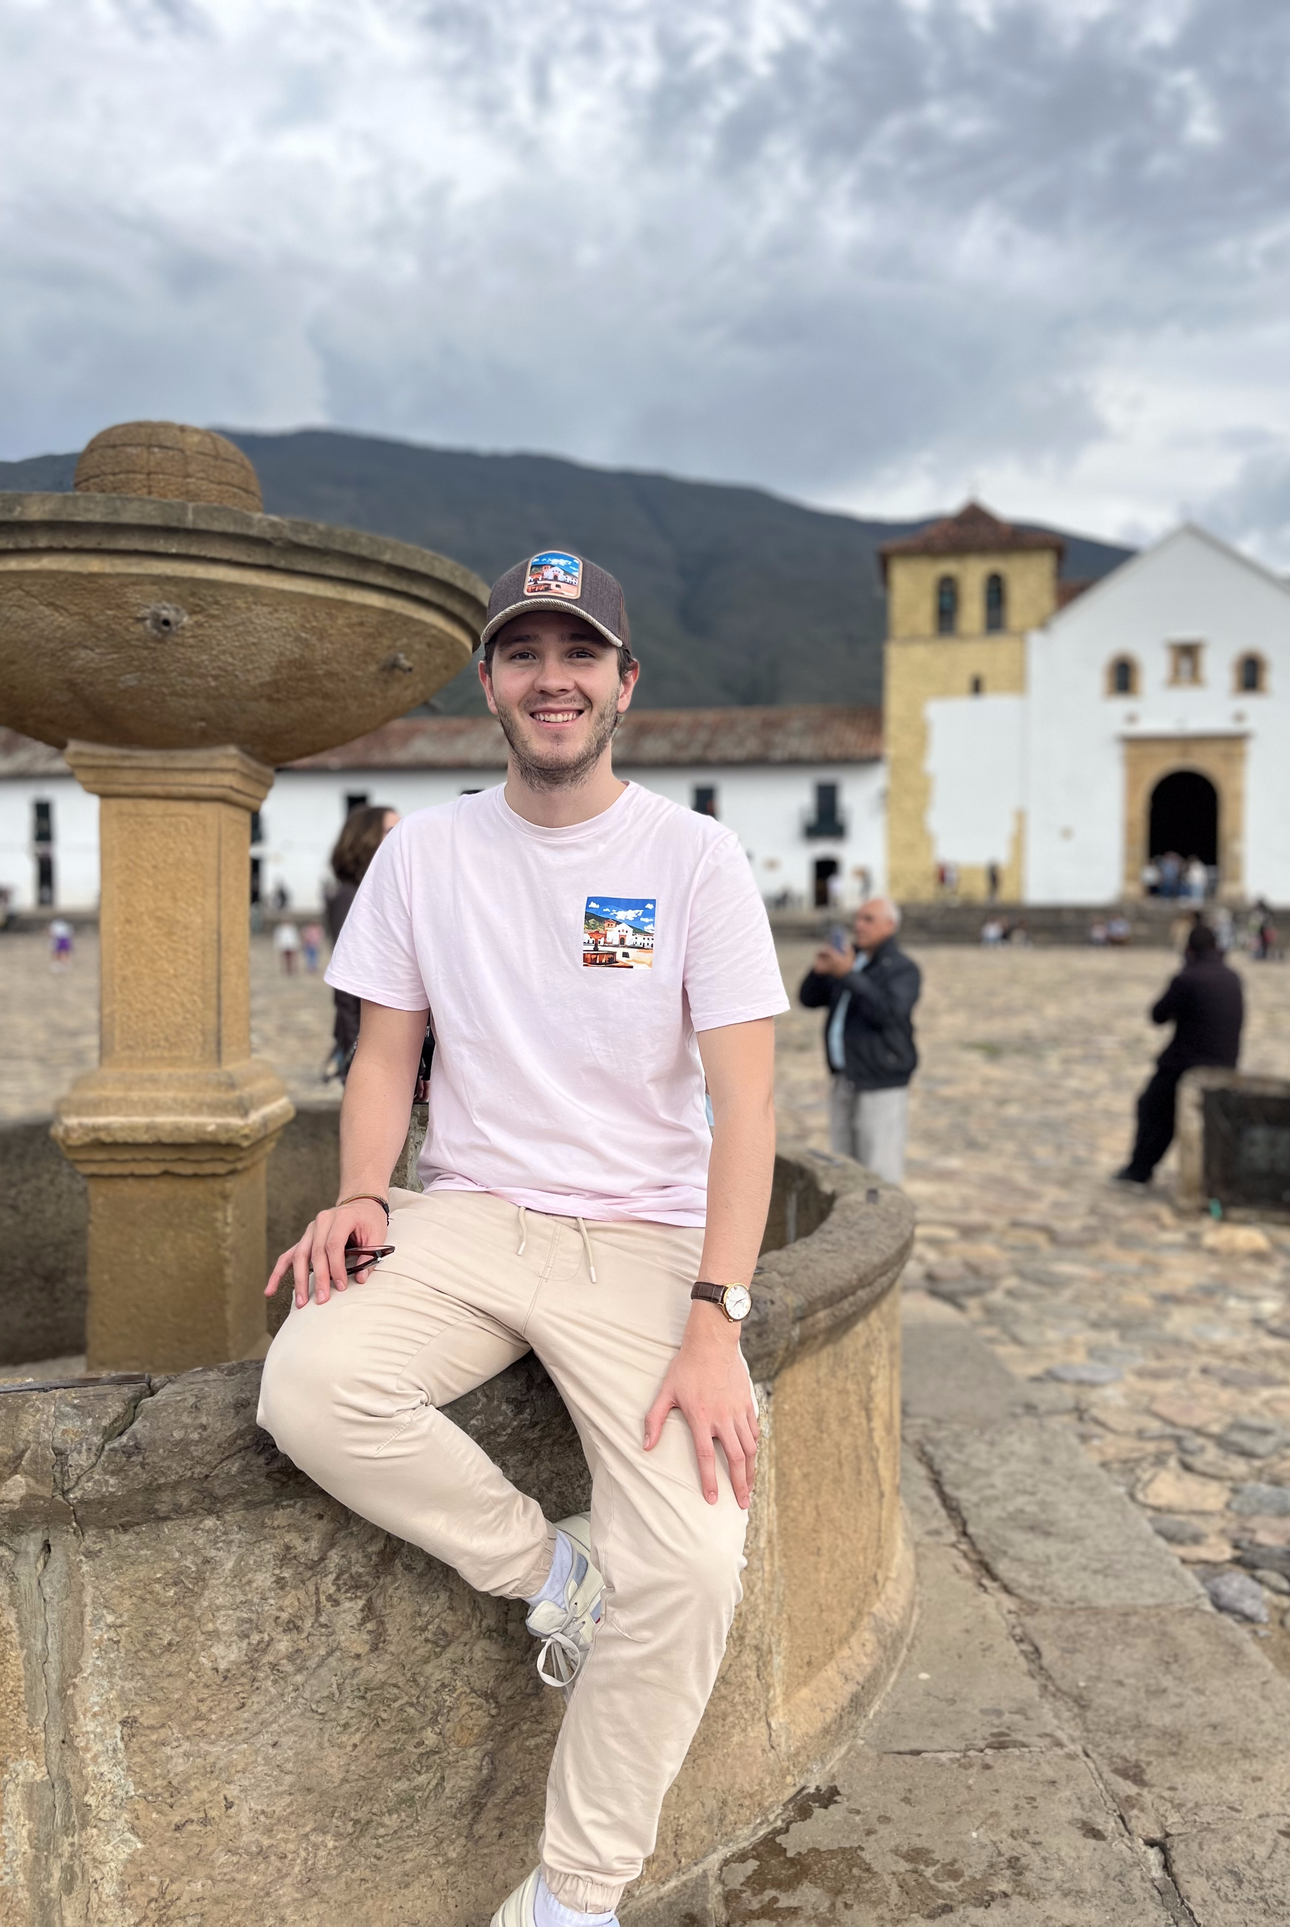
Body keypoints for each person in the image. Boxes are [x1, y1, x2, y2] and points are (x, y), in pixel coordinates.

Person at [257, 550, 787, 1927]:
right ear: (489, 682)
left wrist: (718, 1315)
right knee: (308, 1383)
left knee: (695, 1562)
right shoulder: (427, 852)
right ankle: (554, 1572)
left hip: (644, 1235)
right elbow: (386, 1053)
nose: (552, 676)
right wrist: (365, 1190)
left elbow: (748, 1100)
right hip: (474, 1210)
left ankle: (569, 1896)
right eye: (523, 652)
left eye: (578, 651)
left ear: (624, 681)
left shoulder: (692, 858)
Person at [797, 897, 920, 1185]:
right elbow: (808, 999)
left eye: (868, 919)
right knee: (845, 1163)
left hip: (881, 1078)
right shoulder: (850, 960)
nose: (858, 925)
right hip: (845, 1076)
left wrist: (848, 975)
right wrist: (820, 971)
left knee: (879, 1166)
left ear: (890, 925)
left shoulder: (902, 968)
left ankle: (882, 1227)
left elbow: (889, 1012)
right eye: (858, 918)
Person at [1114, 922, 1243, 1187]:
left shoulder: (1188, 978)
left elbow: (1157, 1015)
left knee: (1152, 1106)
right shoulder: (1232, 977)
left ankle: (1140, 1168)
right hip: (1226, 1062)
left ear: (1189, 950)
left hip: (1187, 1064)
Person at [324, 805, 401, 1079]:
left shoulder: (377, 890)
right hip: (367, 1036)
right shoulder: (350, 896)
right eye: (391, 830)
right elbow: (348, 982)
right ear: (365, 838)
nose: (400, 837)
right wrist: (356, 1049)